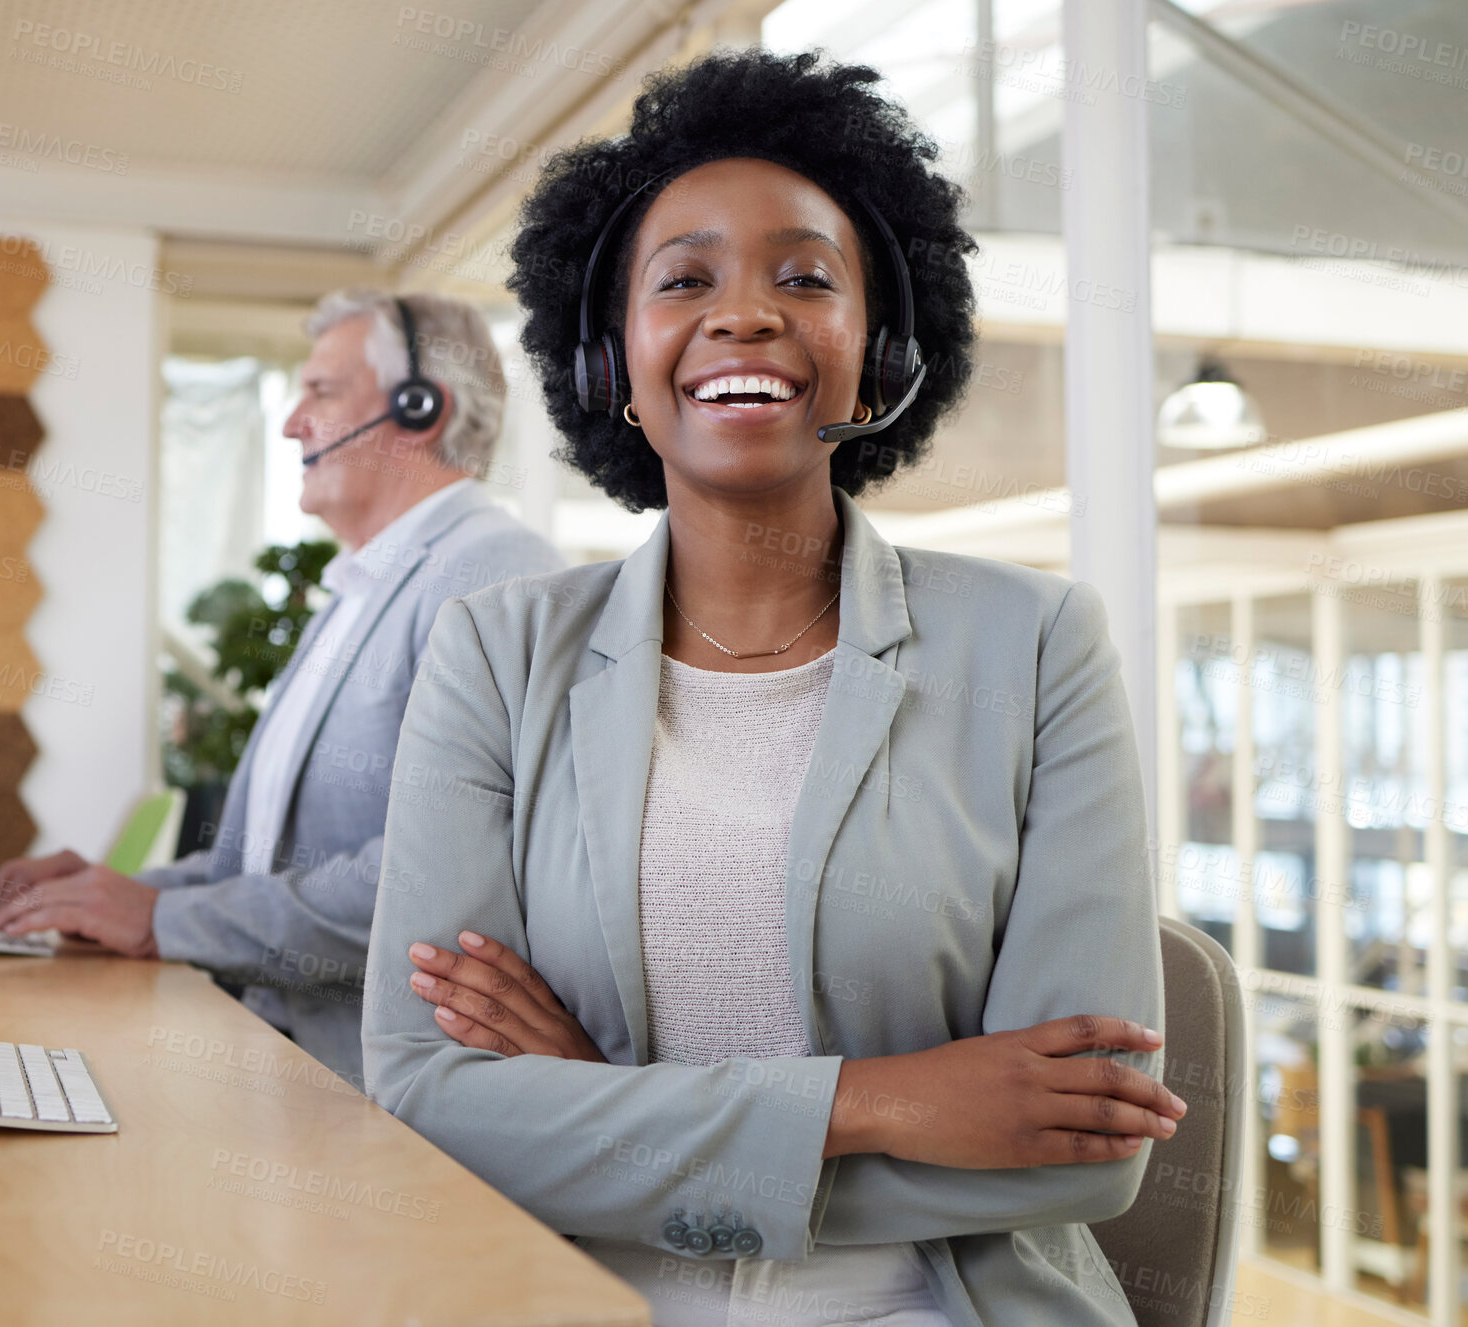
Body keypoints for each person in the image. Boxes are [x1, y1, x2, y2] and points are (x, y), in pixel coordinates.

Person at [361, 48, 1182, 1325]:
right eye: (683, 279)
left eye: (806, 277)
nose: (744, 314)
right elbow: (427, 1096)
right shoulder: (495, 654)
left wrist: (601, 1107)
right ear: (607, 365)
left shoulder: (1037, 646)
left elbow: (1087, 1140)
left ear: (881, 350)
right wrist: (889, 1101)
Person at [0, 290, 567, 1091]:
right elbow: (261, 863)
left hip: (390, 1095)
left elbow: (432, 876)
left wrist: (162, 919)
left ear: (419, 408)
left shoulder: (498, 578)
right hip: (282, 1059)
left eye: (321, 392)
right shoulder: (358, 589)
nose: (292, 422)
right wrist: (108, 894)